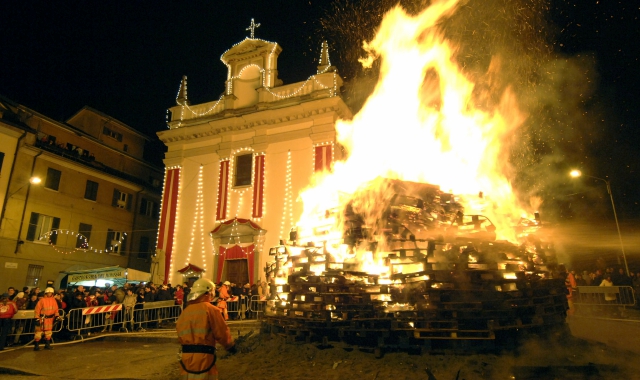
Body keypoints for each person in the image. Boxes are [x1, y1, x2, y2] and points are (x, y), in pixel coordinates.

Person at [175, 278, 234, 379]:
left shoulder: (185, 312)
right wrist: (230, 346)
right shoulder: (211, 310)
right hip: (204, 358)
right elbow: (221, 331)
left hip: (186, 359)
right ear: (208, 292)